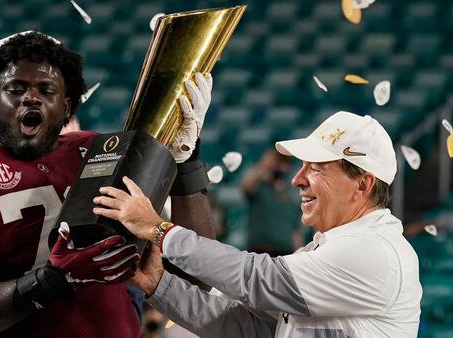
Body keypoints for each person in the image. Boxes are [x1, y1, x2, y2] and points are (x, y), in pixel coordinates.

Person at [0, 31, 215, 337]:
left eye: (46, 89)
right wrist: (52, 281)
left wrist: (186, 162)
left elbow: (194, 276)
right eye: (16, 88)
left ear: (66, 108)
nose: (31, 97)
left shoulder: (98, 154)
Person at [93, 111, 423, 337]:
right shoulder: (331, 247)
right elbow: (244, 328)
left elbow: (256, 277)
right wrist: (160, 285)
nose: (297, 179)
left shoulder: (374, 252)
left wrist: (158, 229)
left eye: (316, 169)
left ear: (363, 185)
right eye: (301, 166)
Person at [241, 148, 301, 256]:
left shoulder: (293, 191)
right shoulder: (259, 187)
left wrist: (297, 254)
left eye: (284, 162)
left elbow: (296, 229)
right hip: (258, 250)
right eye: (278, 162)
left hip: (285, 252)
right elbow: (246, 186)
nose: (280, 166)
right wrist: (264, 165)